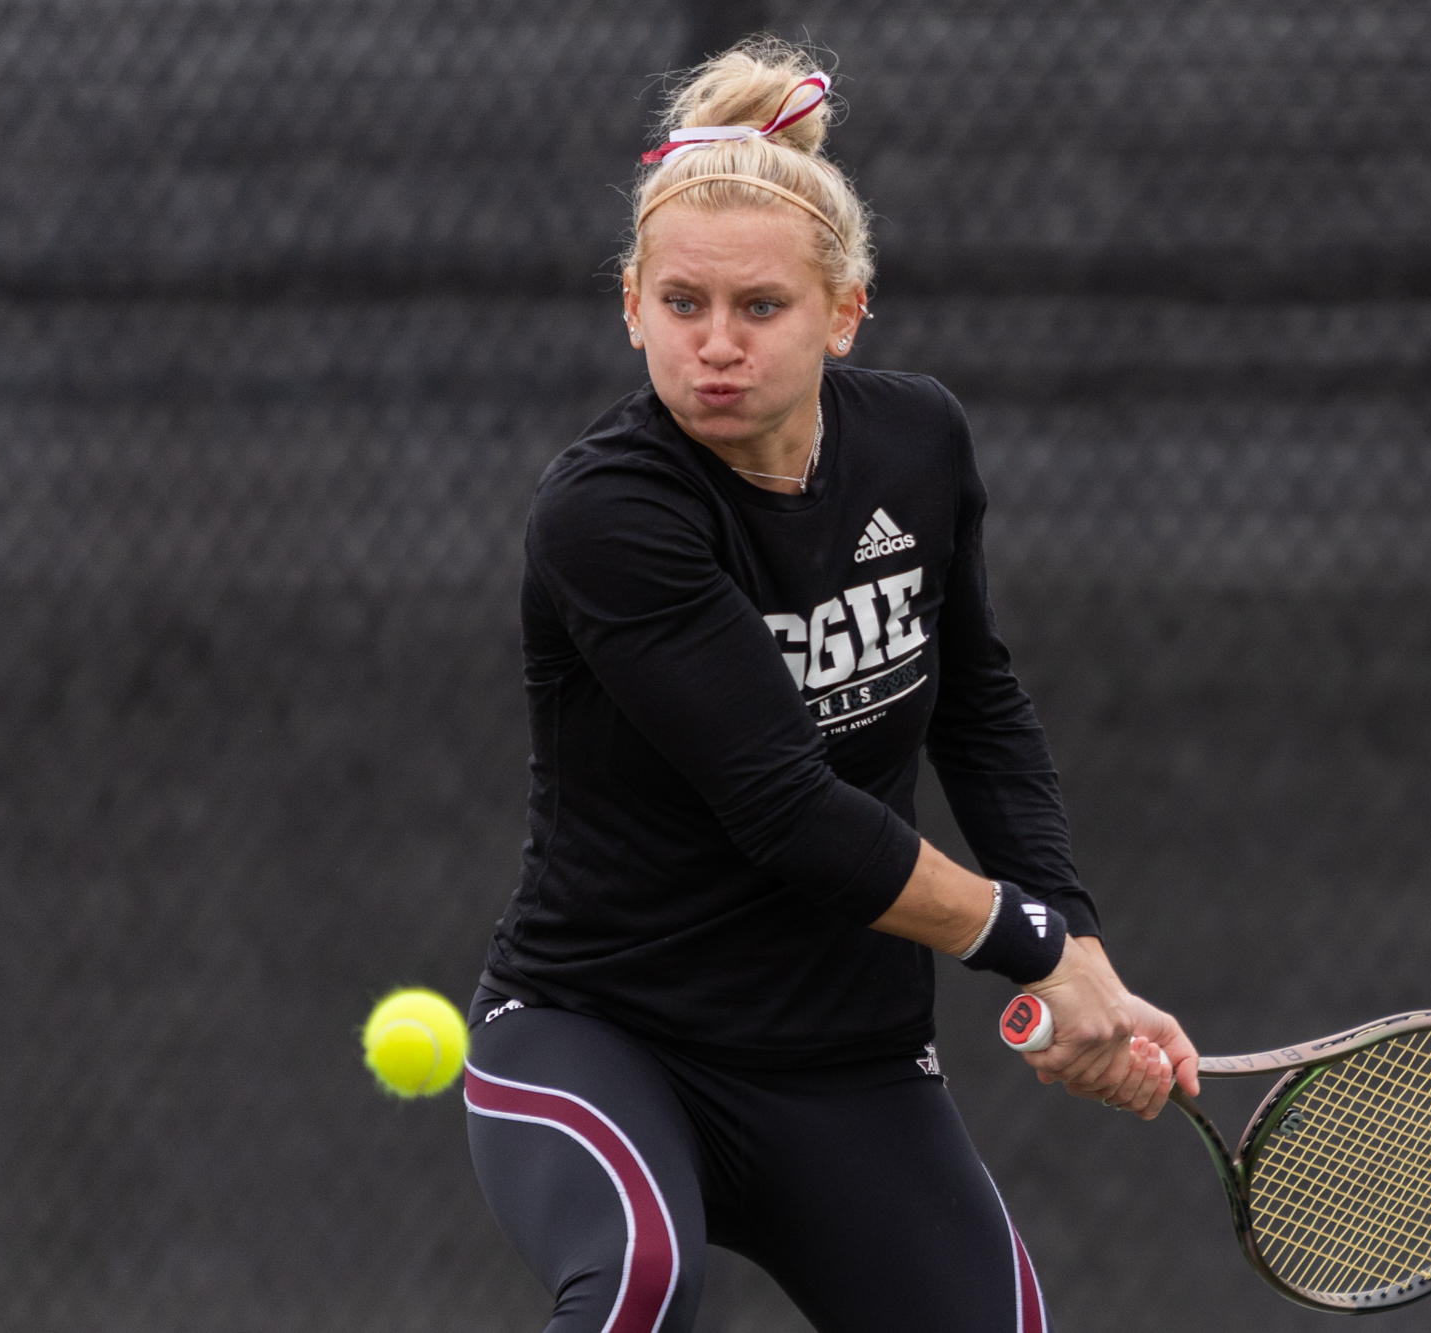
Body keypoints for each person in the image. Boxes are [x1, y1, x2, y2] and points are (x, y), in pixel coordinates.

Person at [465, 39, 1201, 1333]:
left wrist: (1077, 942)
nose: (715, 345)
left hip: (845, 1064)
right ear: (630, 305)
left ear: (845, 311)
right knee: (639, 1285)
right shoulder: (608, 514)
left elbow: (976, 702)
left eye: (761, 308)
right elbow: (788, 813)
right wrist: (1027, 943)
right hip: (603, 1037)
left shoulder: (917, 443)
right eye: (681, 304)